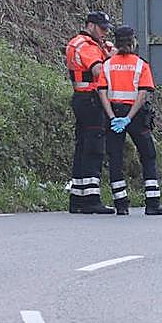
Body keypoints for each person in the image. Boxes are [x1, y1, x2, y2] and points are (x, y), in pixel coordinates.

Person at [103, 26, 162, 215]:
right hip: (135, 115)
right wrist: (128, 118)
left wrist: (112, 117)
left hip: (113, 113)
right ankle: (152, 203)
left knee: (115, 157)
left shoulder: (107, 64)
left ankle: (121, 205)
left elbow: (101, 91)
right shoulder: (141, 65)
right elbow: (142, 94)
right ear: (133, 42)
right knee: (148, 154)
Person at [65, 11, 117, 214]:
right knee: (94, 148)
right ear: (91, 25)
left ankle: (77, 197)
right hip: (91, 100)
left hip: (84, 99)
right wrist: (113, 61)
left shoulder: (90, 44)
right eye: (102, 28)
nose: (104, 32)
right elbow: (98, 71)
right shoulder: (85, 45)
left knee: (82, 148)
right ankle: (91, 198)